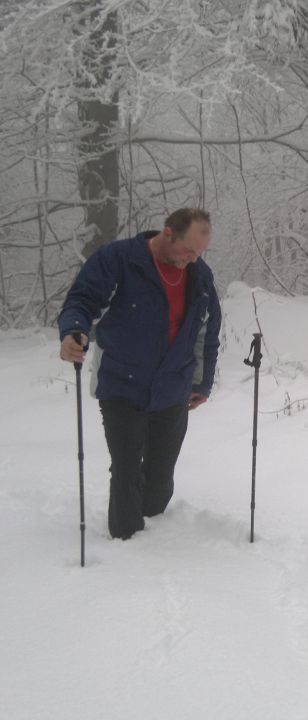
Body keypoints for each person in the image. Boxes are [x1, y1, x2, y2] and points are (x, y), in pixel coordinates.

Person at [58, 208, 221, 540]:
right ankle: (126, 545)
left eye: (199, 253)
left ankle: (156, 534)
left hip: (173, 386)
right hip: (122, 384)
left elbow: (206, 332)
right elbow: (83, 299)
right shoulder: (120, 260)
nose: (192, 259)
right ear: (168, 233)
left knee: (161, 475)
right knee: (126, 469)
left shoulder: (199, 275)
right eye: (188, 250)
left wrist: (202, 382)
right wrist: (73, 330)